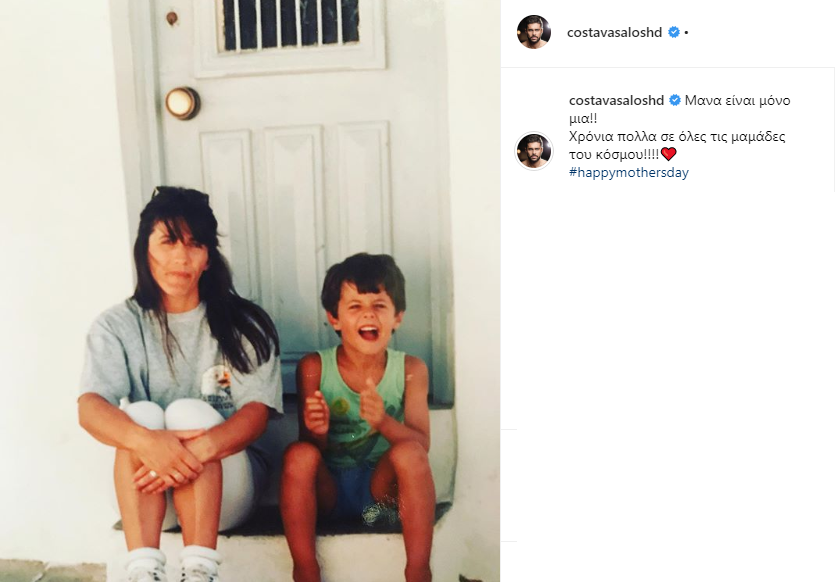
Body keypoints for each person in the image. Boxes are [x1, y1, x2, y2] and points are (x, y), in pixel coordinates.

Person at [77, 187, 282, 582]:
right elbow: (89, 408)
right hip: (150, 492)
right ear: (145, 250)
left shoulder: (245, 324)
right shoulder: (117, 325)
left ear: (208, 258)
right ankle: (143, 570)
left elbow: (256, 414)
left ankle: (201, 570)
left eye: (195, 244)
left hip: (227, 494)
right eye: (168, 241)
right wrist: (149, 444)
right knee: (139, 417)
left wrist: (196, 450)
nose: (181, 257)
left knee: (190, 414)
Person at [280, 253, 435, 582]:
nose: (368, 314)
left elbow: (422, 444)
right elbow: (310, 450)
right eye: (355, 306)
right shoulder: (314, 367)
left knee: (410, 453)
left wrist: (384, 423)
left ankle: (419, 571)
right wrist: (318, 431)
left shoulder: (411, 369)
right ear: (334, 318)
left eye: (379, 305)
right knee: (298, 455)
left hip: (382, 502)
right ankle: (305, 571)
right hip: (328, 497)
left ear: (397, 317)